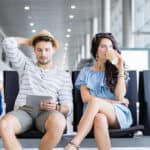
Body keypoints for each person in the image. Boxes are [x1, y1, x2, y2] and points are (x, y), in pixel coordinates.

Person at [0, 30, 73, 150]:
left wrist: (57, 107)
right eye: (39, 49)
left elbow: (68, 106)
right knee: (4, 124)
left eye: (47, 49)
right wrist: (30, 41)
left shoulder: (63, 75)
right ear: (34, 50)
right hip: (24, 111)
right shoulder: (25, 65)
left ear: (53, 49)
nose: (43, 54)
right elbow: (8, 43)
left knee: (59, 122)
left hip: (47, 114)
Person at [64, 33, 133, 150]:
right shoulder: (86, 72)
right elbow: (85, 98)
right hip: (91, 114)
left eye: (110, 47)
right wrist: (113, 101)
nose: (107, 50)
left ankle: (74, 144)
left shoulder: (117, 70)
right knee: (99, 118)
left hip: (116, 114)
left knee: (95, 102)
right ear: (96, 50)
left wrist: (120, 67)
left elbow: (120, 96)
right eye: (103, 46)